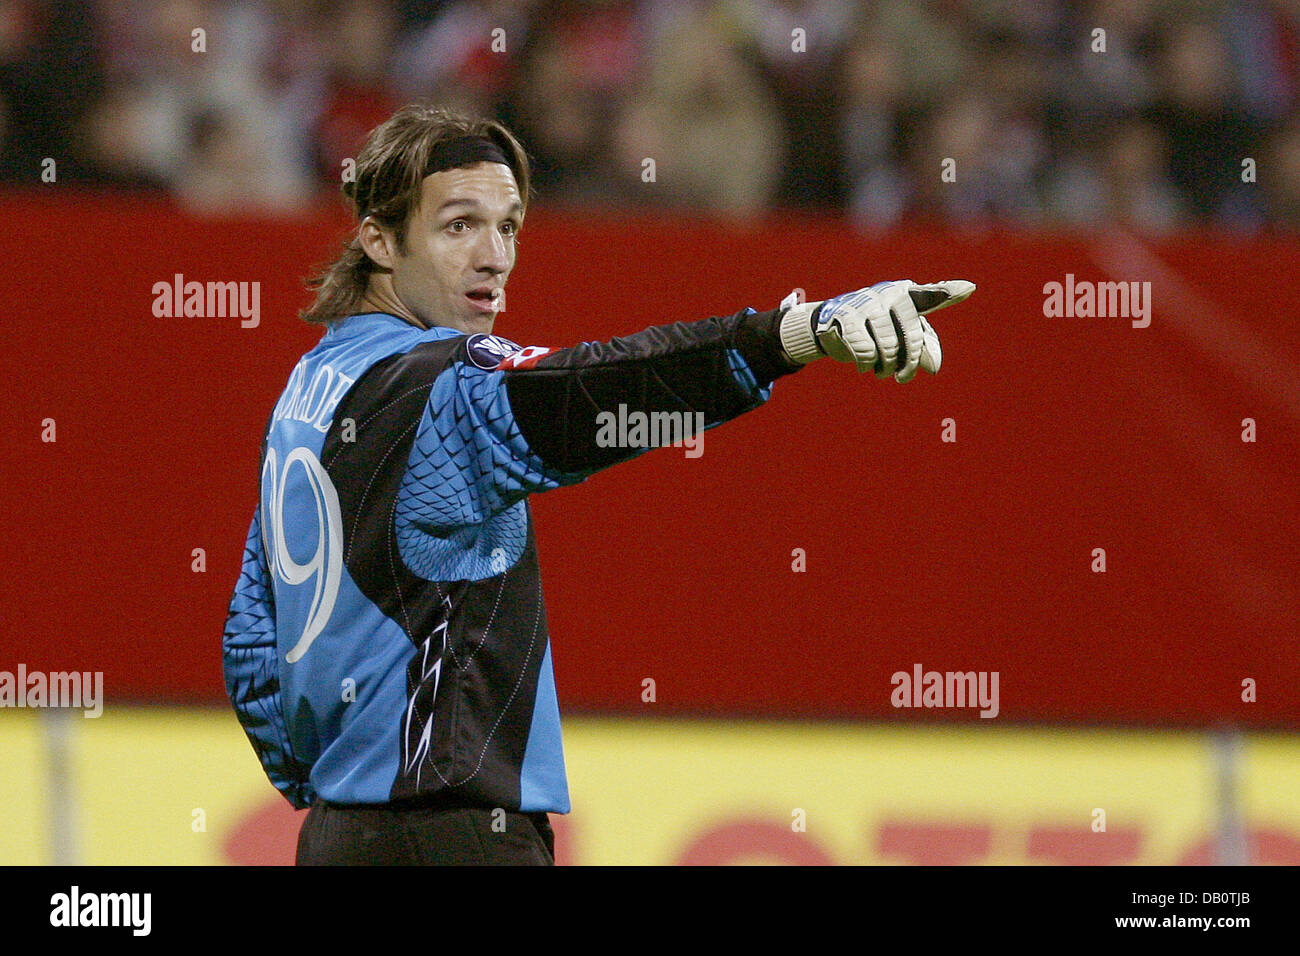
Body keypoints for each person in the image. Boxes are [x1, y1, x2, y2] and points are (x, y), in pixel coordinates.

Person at [221, 103, 975, 866]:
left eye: (508, 225)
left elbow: (250, 643)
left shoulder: (309, 384)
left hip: (337, 836)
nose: (494, 257)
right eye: (458, 226)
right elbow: (598, 390)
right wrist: (790, 336)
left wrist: (336, 798)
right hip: (453, 831)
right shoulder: (444, 385)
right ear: (379, 240)